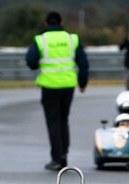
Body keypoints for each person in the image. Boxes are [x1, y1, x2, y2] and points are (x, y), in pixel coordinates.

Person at [26, 11, 89, 171]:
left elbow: (31, 61)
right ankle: (63, 155)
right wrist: (82, 82)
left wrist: (41, 63)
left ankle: (56, 158)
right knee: (63, 120)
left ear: (46, 23)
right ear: (62, 22)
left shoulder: (41, 40)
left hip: (49, 85)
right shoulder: (71, 38)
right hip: (68, 85)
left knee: (53, 122)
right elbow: (83, 63)